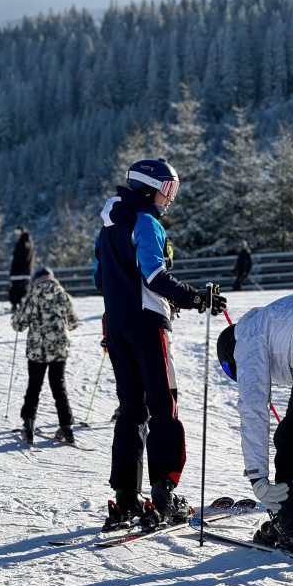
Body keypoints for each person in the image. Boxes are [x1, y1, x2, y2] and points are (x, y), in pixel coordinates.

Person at [94, 158, 226, 531]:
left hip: (117, 326)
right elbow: (154, 275)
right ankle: (164, 496)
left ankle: (125, 498)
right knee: (163, 405)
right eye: (168, 189)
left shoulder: (108, 224)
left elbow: (99, 278)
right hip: (148, 326)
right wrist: (196, 298)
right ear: (149, 187)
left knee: (131, 410)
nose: (170, 198)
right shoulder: (145, 221)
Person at [217, 294, 293, 552]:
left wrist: (258, 477)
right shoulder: (272, 322)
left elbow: (253, 407)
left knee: (292, 441)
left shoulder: (247, 339)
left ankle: (287, 525)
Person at [11, 267, 79, 445]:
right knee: (59, 387)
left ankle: (28, 425)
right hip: (59, 349)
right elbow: (73, 322)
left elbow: (18, 324)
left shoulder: (32, 296)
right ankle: (66, 427)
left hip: (37, 350)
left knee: (34, 386)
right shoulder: (62, 294)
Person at [9, 227, 35, 311]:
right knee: (24, 288)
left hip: (18, 271)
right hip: (27, 271)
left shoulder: (21, 243)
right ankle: (22, 304)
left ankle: (16, 304)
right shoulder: (30, 243)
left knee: (15, 288)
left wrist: (14, 270)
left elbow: (18, 257)